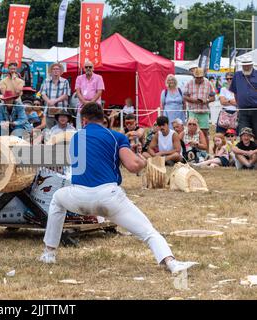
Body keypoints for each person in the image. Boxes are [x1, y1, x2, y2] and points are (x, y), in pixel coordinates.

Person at [39, 102, 198, 274]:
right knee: (148, 231)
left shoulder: (75, 137)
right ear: (104, 119)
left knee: (57, 199)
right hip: (109, 197)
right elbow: (132, 166)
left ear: (84, 120)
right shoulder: (116, 137)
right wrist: (143, 161)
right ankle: (171, 262)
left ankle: (49, 253)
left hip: (78, 197)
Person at [184, 68, 215, 151]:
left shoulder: (208, 83)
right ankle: (190, 151)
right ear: (194, 76)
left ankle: (207, 152)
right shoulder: (189, 83)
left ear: (203, 76)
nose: (198, 79)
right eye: (197, 77)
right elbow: (185, 96)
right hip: (193, 110)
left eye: (200, 77)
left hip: (204, 111)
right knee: (191, 131)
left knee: (204, 133)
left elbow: (213, 97)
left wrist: (206, 101)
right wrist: (194, 100)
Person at [229, 55, 257, 137]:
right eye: (244, 65)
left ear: (252, 65)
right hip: (243, 110)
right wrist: (237, 105)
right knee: (243, 133)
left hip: (256, 109)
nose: (246, 67)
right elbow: (235, 92)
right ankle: (244, 150)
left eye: (248, 65)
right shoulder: (237, 75)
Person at [39, 62, 71, 129]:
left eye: (57, 69)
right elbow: (43, 93)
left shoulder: (65, 81)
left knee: (60, 131)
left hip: (61, 112)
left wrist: (54, 101)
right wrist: (49, 102)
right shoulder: (46, 81)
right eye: (54, 69)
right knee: (48, 131)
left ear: (60, 71)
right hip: (49, 111)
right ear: (51, 71)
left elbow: (66, 95)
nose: (55, 71)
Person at [75, 61, 105, 129]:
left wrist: (90, 103)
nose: (88, 68)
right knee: (80, 128)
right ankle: (81, 140)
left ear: (93, 68)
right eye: (86, 67)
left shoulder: (99, 78)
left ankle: (93, 139)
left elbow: (99, 92)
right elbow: (78, 92)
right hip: (82, 106)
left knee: (95, 127)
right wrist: (84, 102)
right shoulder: (79, 78)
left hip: (95, 107)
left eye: (90, 67)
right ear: (84, 69)